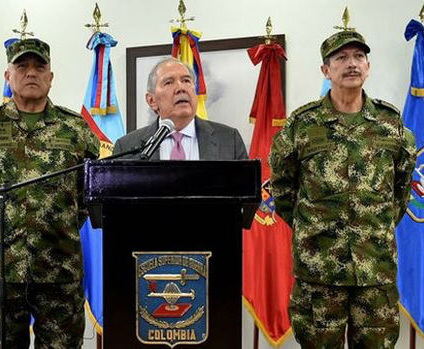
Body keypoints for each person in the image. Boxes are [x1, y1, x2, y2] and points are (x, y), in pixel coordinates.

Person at [269, 29, 416, 348]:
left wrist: (371, 229)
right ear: (326, 70)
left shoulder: (390, 124)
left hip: (374, 272)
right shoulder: (302, 125)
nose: (352, 64)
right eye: (341, 58)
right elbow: (282, 190)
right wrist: (315, 229)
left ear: (368, 65)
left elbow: (401, 189)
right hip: (319, 275)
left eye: (359, 56)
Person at [0, 38, 100, 348]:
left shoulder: (76, 130)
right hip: (2, 273)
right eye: (22, 66)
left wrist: (56, 221)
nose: (31, 72)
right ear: (8, 76)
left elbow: (87, 197)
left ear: (51, 76)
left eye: (39, 66)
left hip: (60, 271)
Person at [113, 57, 247, 160]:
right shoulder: (126, 147)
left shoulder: (229, 140)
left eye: (186, 81)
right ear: (152, 100)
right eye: (169, 82)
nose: (181, 88)